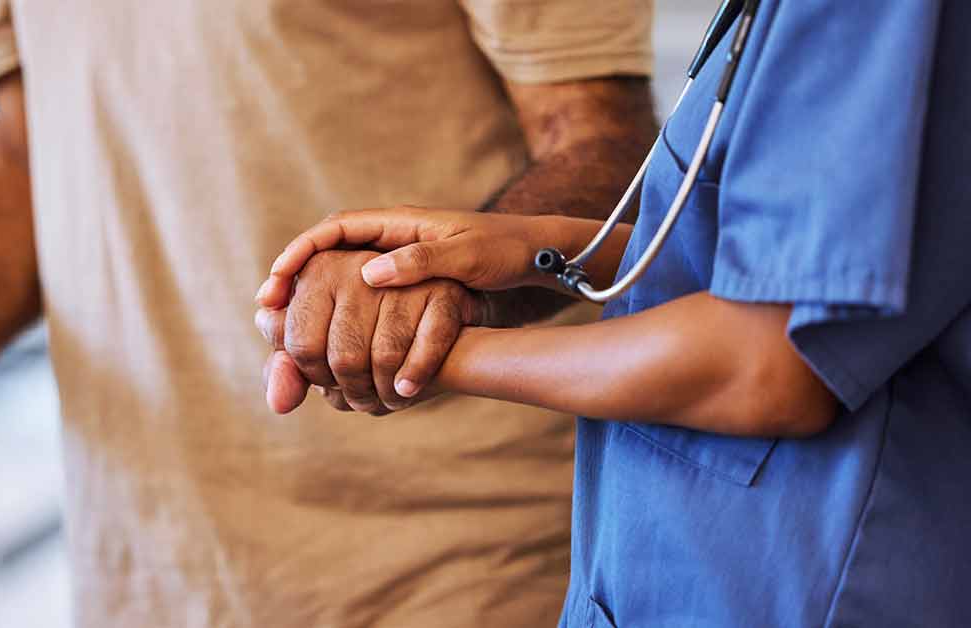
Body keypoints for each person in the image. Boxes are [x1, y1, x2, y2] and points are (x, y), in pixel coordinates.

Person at [0, 1, 658, 626]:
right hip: (145, 568)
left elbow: (602, 146)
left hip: (453, 566)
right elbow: (22, 161)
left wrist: (443, 279)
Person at [258, 1, 971, 625]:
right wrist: (534, 243)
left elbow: (772, 361)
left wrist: (430, 347)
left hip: (801, 584)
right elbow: (754, 259)